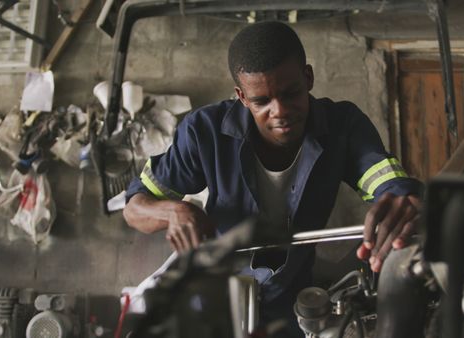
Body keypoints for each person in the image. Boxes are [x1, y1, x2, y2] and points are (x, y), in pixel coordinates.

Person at [123, 21, 422, 337]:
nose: (279, 111)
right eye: (261, 101)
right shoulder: (204, 132)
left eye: (290, 93)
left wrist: (404, 202)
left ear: (308, 78)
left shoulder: (343, 126)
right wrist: (173, 212)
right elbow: (134, 205)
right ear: (241, 96)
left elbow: (392, 185)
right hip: (214, 285)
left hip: (290, 293)